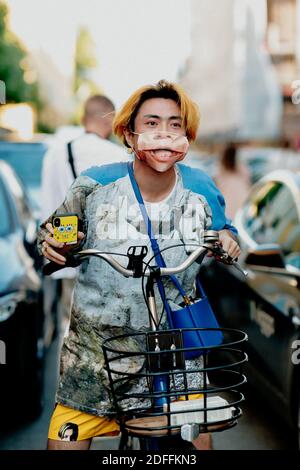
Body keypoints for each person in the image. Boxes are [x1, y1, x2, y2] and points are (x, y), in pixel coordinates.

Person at [38, 79, 241, 450]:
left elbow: (225, 230)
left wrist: (228, 240)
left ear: (187, 136)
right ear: (129, 135)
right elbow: (53, 236)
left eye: (175, 124)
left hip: (177, 354)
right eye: (151, 123)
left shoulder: (202, 189)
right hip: (96, 357)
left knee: (200, 443)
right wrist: (53, 247)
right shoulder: (92, 185)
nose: (163, 132)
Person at [40, 95, 128, 336]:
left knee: (70, 328)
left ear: (83, 119)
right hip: (109, 260)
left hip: (65, 253)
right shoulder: (119, 156)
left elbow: (47, 206)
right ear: (111, 121)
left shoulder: (55, 154)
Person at [214, 143, 251, 220]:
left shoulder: (222, 169)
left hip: (228, 200)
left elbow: (218, 185)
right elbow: (247, 183)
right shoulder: (241, 168)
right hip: (241, 198)